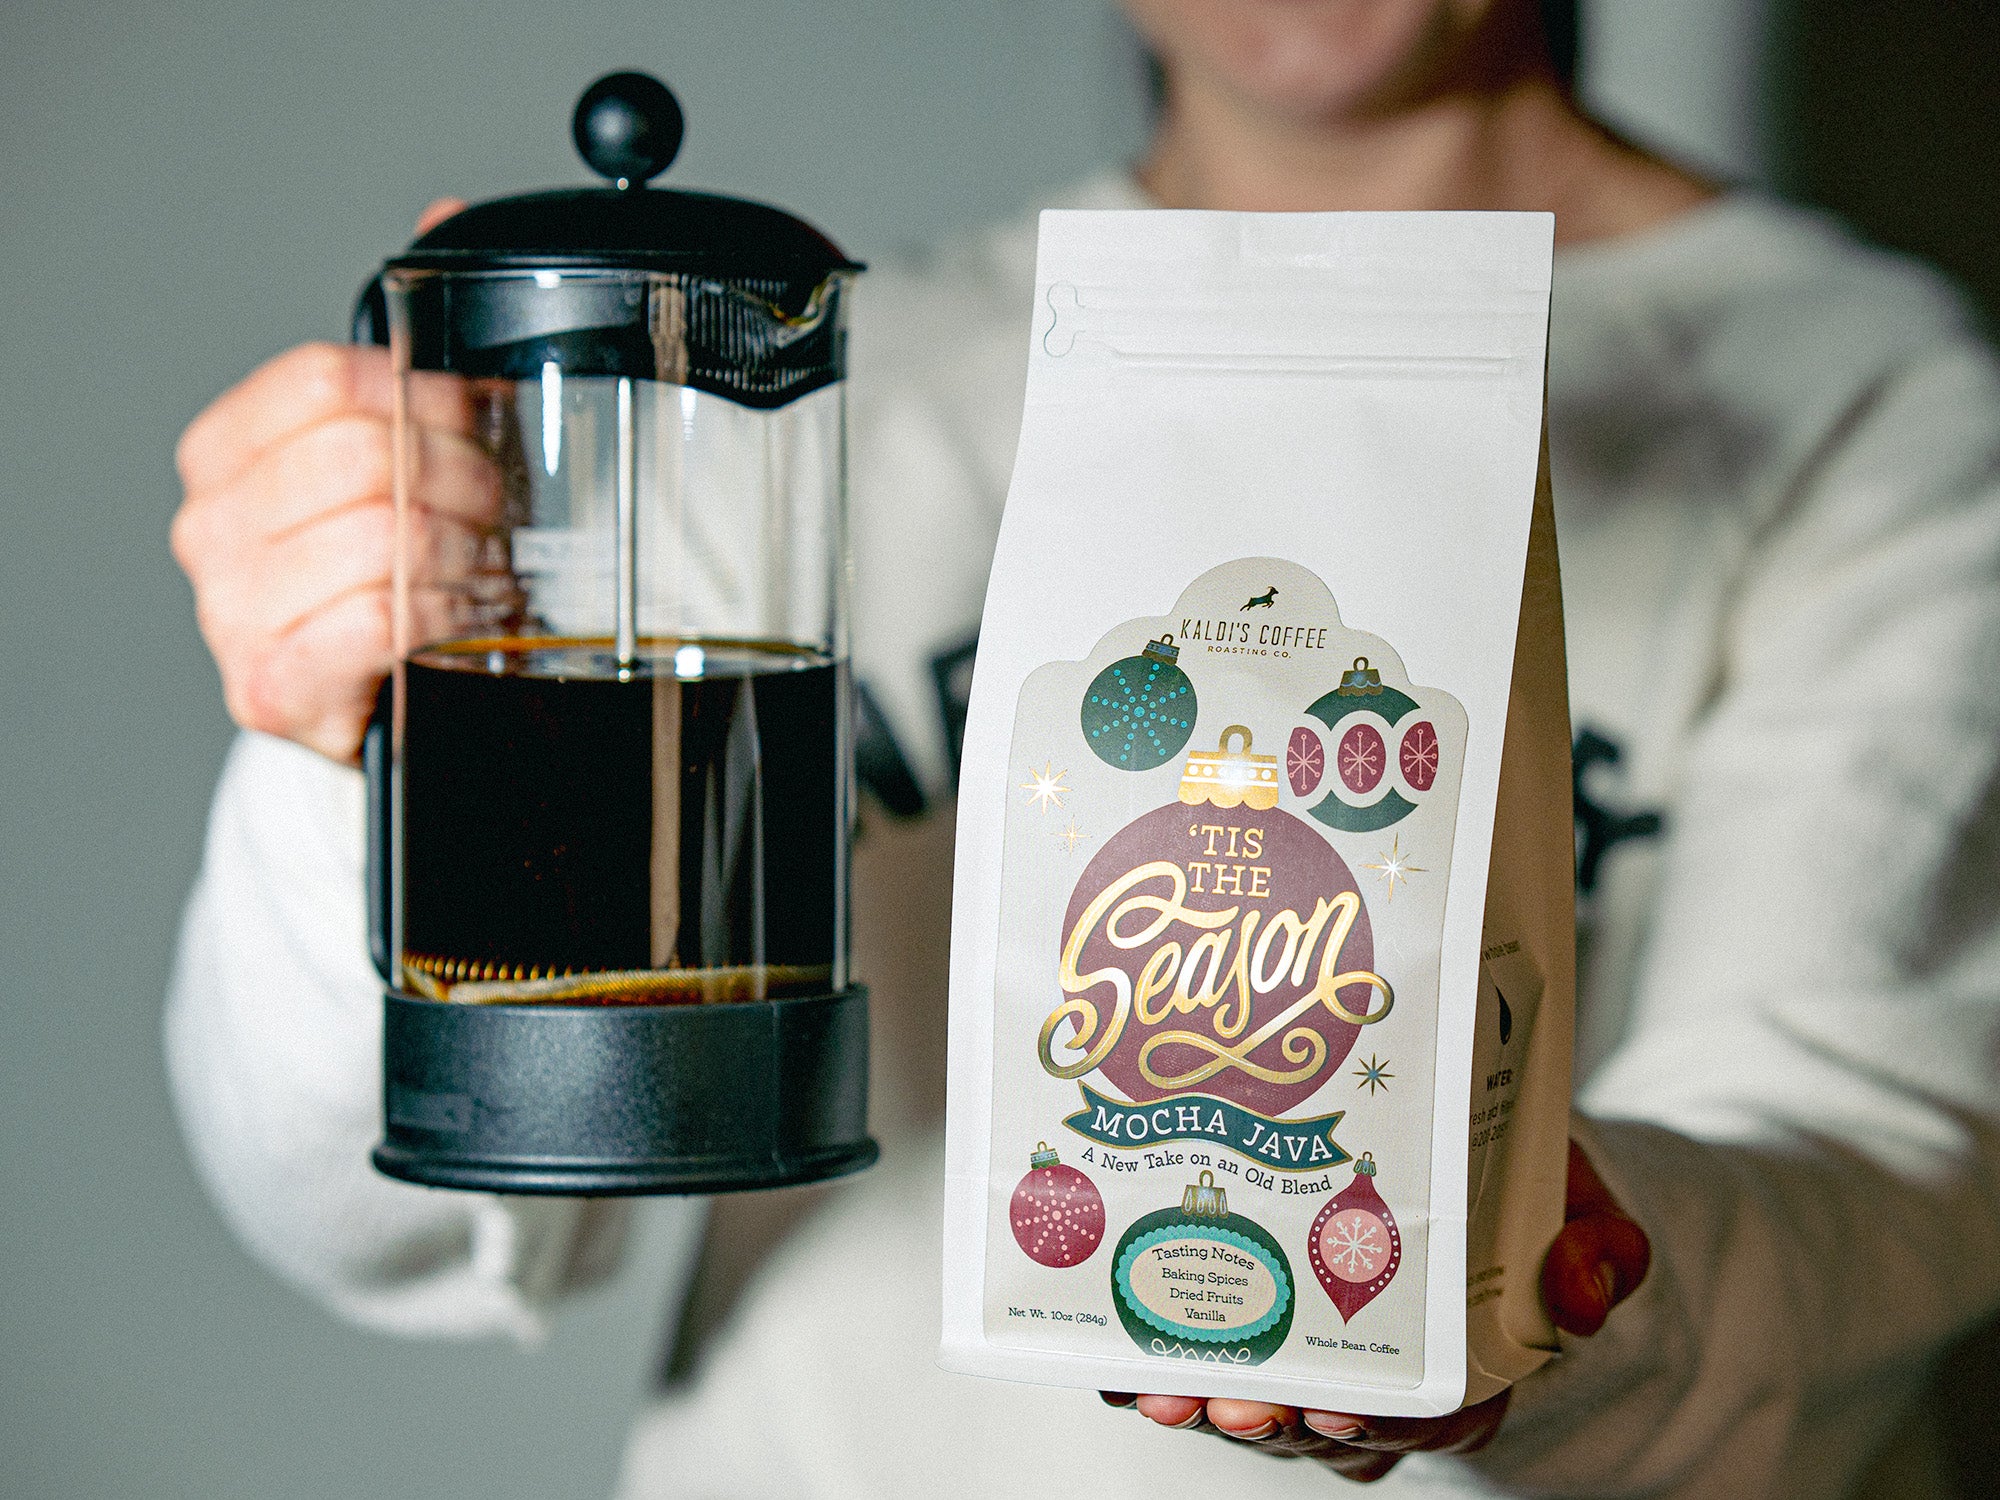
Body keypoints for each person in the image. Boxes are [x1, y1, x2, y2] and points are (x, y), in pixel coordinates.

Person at [166, 0, 2000, 1494]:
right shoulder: (804, 378)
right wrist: (347, 725)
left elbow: (1869, 1194)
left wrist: (1531, 1284)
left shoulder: (1868, 409)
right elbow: (417, 1222)